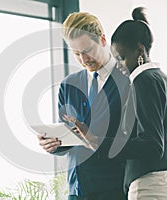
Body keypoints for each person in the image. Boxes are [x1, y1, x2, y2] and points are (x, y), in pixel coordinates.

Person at [66, 7, 167, 200]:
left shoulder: (141, 82)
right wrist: (166, 170)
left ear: (140, 50)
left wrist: (96, 141)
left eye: (121, 58)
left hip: (148, 185)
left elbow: (152, 145)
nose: (119, 66)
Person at [37, 12, 129, 199]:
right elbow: (70, 137)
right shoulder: (68, 86)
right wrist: (53, 144)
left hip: (115, 190)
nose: (84, 59)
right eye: (76, 54)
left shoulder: (128, 81)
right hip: (76, 191)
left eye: (87, 50)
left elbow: (136, 141)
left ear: (103, 40)